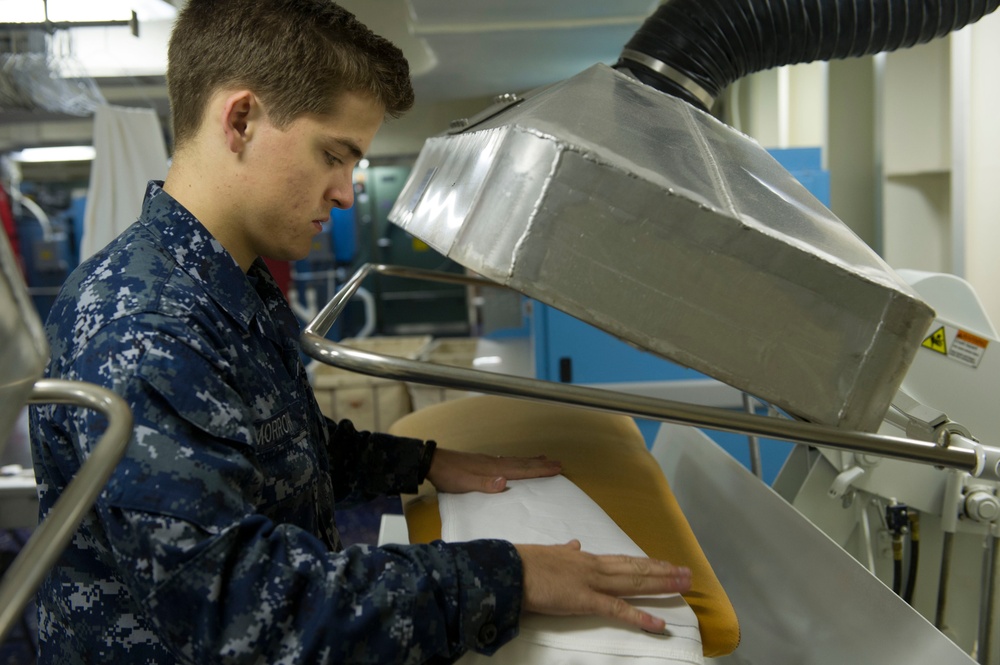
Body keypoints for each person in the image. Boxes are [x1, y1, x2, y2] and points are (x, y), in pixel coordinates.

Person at [28, 1, 693, 662]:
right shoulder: (143, 322)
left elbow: (276, 449)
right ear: (241, 120)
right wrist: (509, 574)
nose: (347, 193)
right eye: (334, 155)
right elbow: (244, 614)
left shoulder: (227, 280)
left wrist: (424, 463)